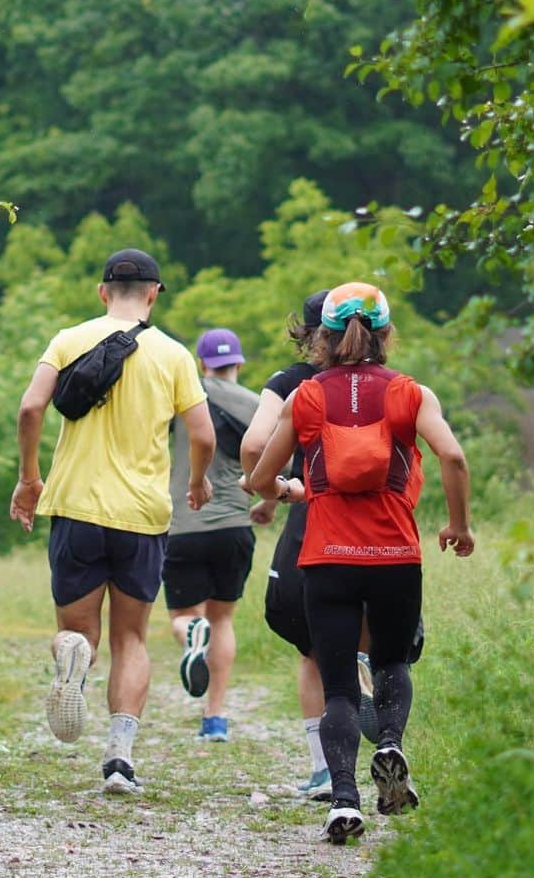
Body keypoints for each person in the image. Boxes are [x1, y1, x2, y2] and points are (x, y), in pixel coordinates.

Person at [249, 281, 474, 844]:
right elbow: (453, 455)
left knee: (342, 689)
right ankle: (392, 744)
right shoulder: (411, 394)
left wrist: (290, 490)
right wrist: (458, 524)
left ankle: (343, 801)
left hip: (326, 559)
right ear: (385, 333)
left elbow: (257, 477)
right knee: (393, 664)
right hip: (396, 555)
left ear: (323, 337)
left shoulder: (307, 397)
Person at [9, 248, 215, 795]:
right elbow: (203, 435)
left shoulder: (67, 339)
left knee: (78, 631)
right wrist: (196, 481)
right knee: (131, 638)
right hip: (142, 515)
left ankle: (72, 655)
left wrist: (30, 478)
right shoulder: (173, 355)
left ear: (103, 292)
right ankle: (120, 756)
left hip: (75, 506)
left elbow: (31, 409)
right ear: (154, 293)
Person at [240, 292, 382, 800]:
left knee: (311, 649)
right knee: (368, 639)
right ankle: (375, 707)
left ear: (310, 333)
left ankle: (325, 770)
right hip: (381, 528)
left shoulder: (291, 383)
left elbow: (255, 446)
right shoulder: (386, 383)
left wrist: (273, 488)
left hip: (314, 519)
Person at [163, 328, 261, 742]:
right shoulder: (259, 405)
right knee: (222, 619)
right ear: (238, 362)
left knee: (184, 616)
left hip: (184, 524)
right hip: (235, 526)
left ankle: (190, 634)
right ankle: (215, 718)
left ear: (201, 364)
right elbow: (284, 461)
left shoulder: (186, 397)